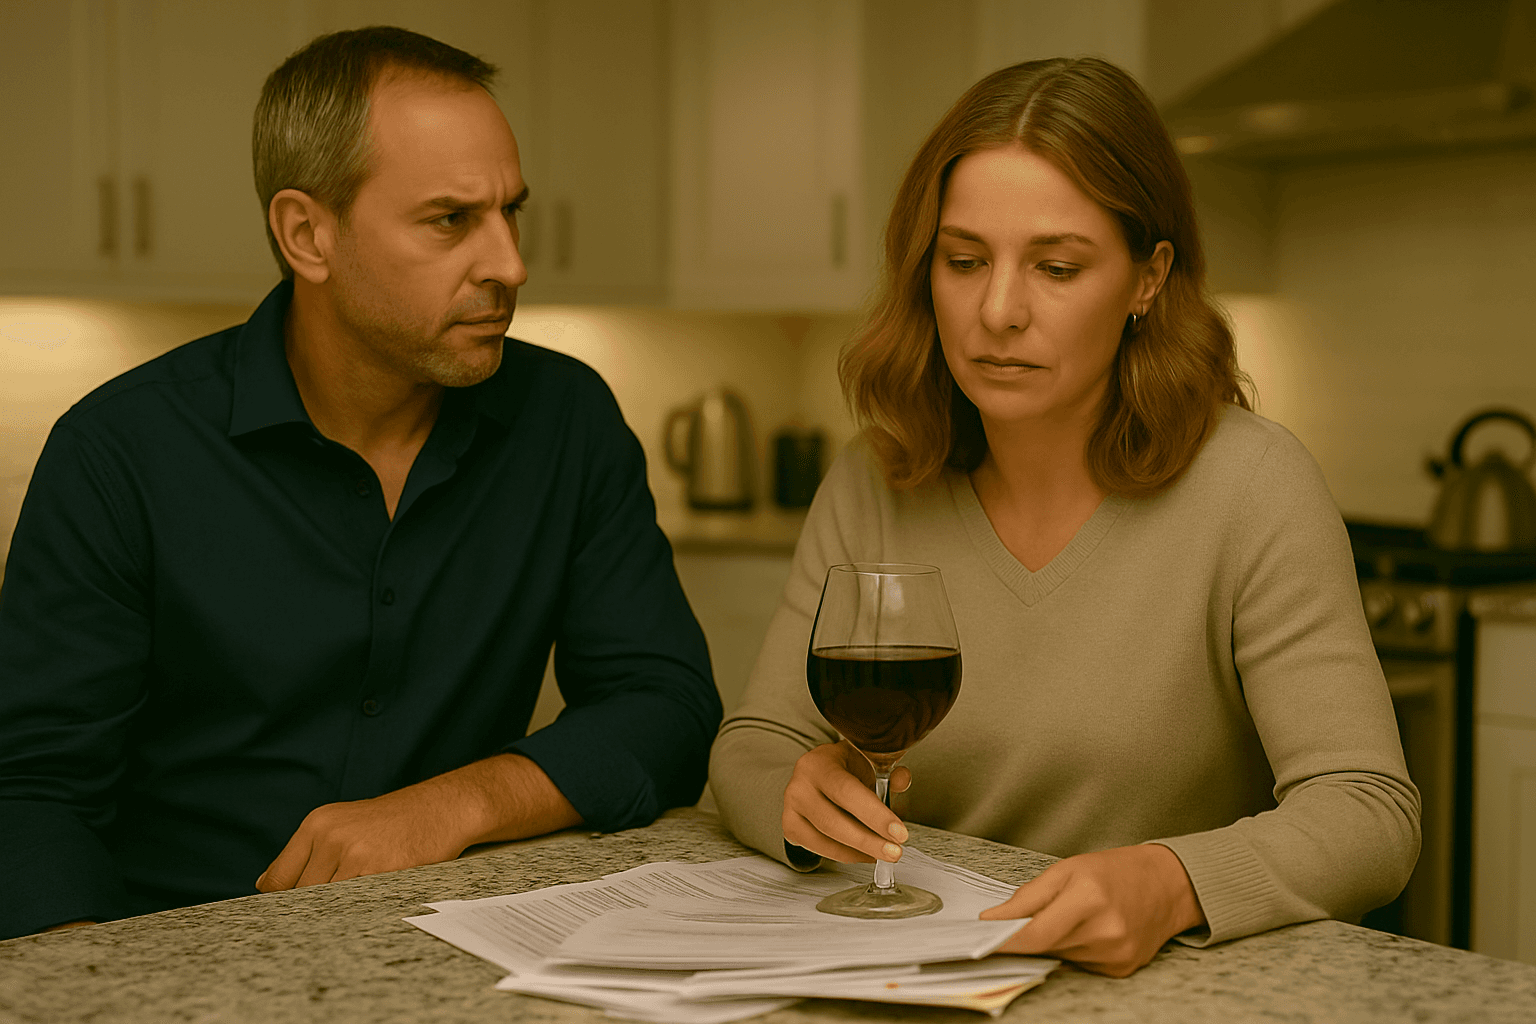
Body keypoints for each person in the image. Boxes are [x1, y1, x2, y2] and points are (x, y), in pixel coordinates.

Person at [0, 27, 720, 940]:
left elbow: (668, 707)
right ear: (308, 234)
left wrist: (449, 806)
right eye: (451, 219)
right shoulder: (120, 451)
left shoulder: (565, 419)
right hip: (182, 943)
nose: (510, 263)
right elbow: (32, 789)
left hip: (462, 942)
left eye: (511, 211)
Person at [709, 57, 1419, 977]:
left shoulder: (1253, 484)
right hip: (914, 973)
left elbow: (1369, 810)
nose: (998, 311)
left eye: (1057, 266)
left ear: (1146, 280)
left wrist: (1172, 882)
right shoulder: (872, 480)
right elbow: (755, 744)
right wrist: (792, 802)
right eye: (964, 261)